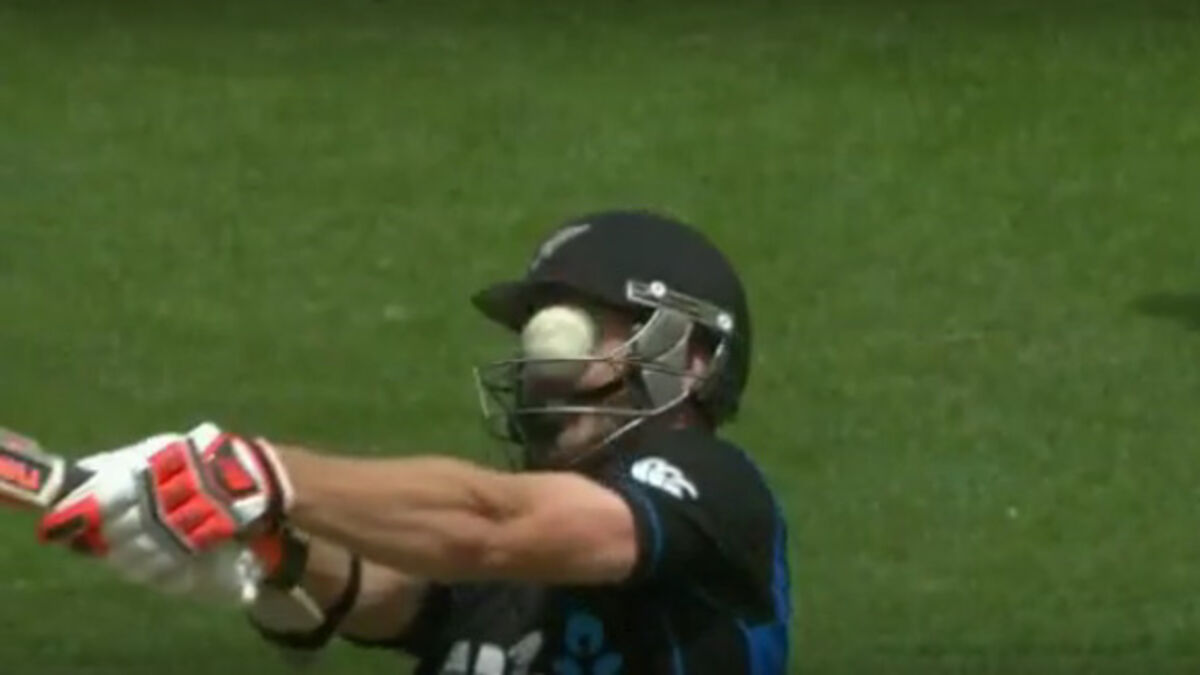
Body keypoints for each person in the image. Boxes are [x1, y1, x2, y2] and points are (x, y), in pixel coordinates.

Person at [36, 209, 793, 674]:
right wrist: (269, 548)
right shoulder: (521, 567)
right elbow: (393, 595)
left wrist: (255, 473)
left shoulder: (715, 490)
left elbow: (492, 523)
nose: (542, 369)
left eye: (574, 333)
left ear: (686, 355)